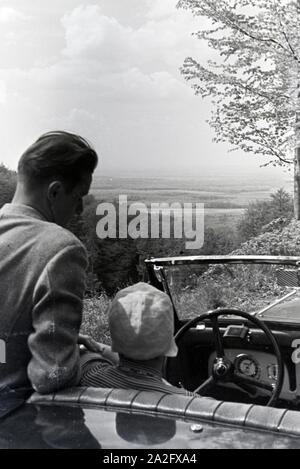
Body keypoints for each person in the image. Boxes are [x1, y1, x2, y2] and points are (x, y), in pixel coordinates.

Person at [0, 131, 115, 405]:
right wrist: (88, 357)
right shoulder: (61, 248)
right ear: (54, 192)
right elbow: (52, 375)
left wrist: (29, 342)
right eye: (79, 197)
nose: (78, 210)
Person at [80, 282, 195, 396]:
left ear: (115, 333)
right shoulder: (193, 403)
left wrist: (96, 346)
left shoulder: (88, 375)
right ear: (167, 342)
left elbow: (80, 349)